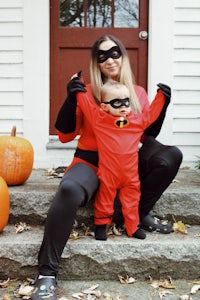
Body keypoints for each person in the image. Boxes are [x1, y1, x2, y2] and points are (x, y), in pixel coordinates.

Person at [31, 35, 183, 300]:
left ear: (123, 57)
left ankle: (134, 213)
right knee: (68, 189)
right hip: (91, 160)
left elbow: (147, 133)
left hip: (125, 159)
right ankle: (47, 273)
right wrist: (70, 99)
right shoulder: (87, 92)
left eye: (115, 53)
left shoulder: (136, 92)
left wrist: (164, 104)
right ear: (96, 63)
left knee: (170, 156)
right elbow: (65, 135)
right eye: (102, 56)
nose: (110, 59)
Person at [77, 78, 169, 241]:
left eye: (126, 102)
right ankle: (100, 225)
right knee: (104, 199)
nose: (124, 106)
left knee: (132, 201)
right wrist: (78, 87)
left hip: (130, 175)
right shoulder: (99, 120)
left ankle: (132, 227)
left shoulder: (137, 121)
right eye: (117, 103)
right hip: (108, 173)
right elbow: (86, 104)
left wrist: (161, 96)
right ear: (105, 106)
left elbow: (151, 115)